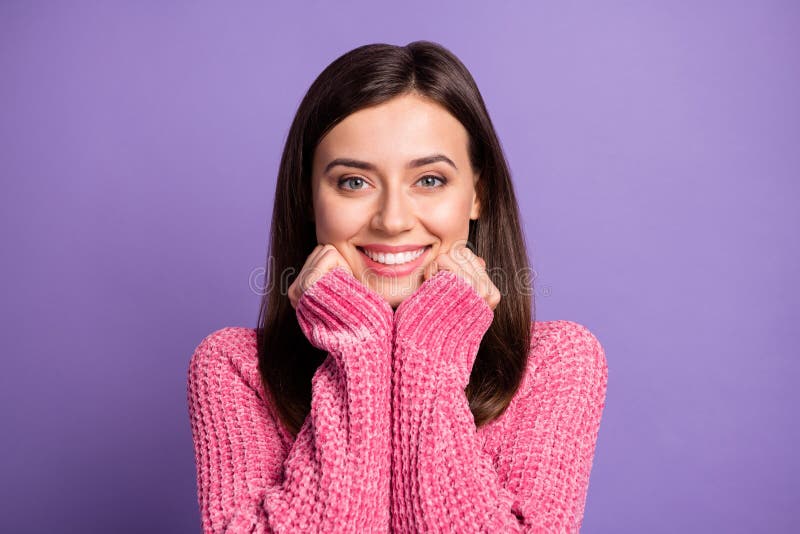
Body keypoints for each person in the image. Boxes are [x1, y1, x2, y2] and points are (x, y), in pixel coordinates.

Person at [186, 41, 608, 533]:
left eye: (429, 180)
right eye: (353, 182)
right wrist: (358, 350)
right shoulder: (233, 369)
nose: (391, 220)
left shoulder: (558, 363)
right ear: (308, 198)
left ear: (478, 193)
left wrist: (428, 353)